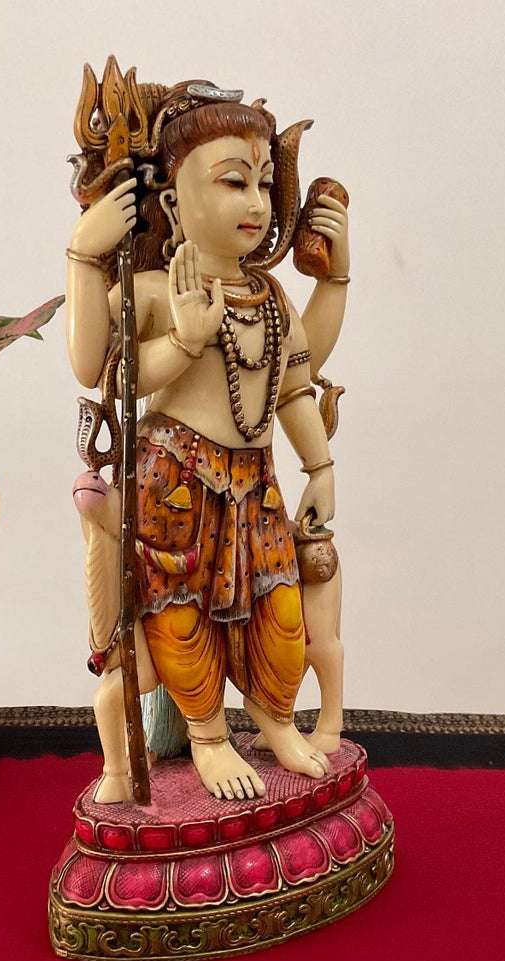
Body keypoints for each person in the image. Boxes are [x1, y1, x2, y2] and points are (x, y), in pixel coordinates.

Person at [66, 79, 350, 802]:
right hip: (175, 479)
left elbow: (293, 385)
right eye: (232, 182)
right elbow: (100, 370)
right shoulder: (154, 289)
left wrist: (319, 466)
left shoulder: (270, 296)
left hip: (256, 480)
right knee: (179, 612)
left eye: (263, 183)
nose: (256, 203)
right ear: (171, 204)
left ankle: (276, 720)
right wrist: (86, 262)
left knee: (278, 608)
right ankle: (208, 735)